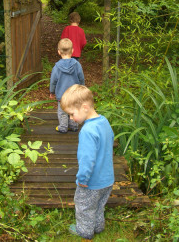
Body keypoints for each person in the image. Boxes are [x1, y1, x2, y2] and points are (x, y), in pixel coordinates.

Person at [60, 84, 115, 240]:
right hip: (107, 179)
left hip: (92, 181)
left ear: (84, 107)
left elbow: (87, 159)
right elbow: (109, 143)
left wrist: (82, 179)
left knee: (84, 206)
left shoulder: (87, 131)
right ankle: (98, 226)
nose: (71, 118)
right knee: (99, 205)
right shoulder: (104, 122)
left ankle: (84, 231)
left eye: (71, 114)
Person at [50, 39, 85, 133]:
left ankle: (63, 127)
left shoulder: (57, 67)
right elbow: (81, 78)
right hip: (74, 94)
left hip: (62, 95)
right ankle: (73, 126)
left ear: (58, 52)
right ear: (72, 50)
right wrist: (82, 88)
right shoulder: (77, 64)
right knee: (74, 109)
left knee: (62, 111)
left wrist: (52, 91)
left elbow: (53, 81)